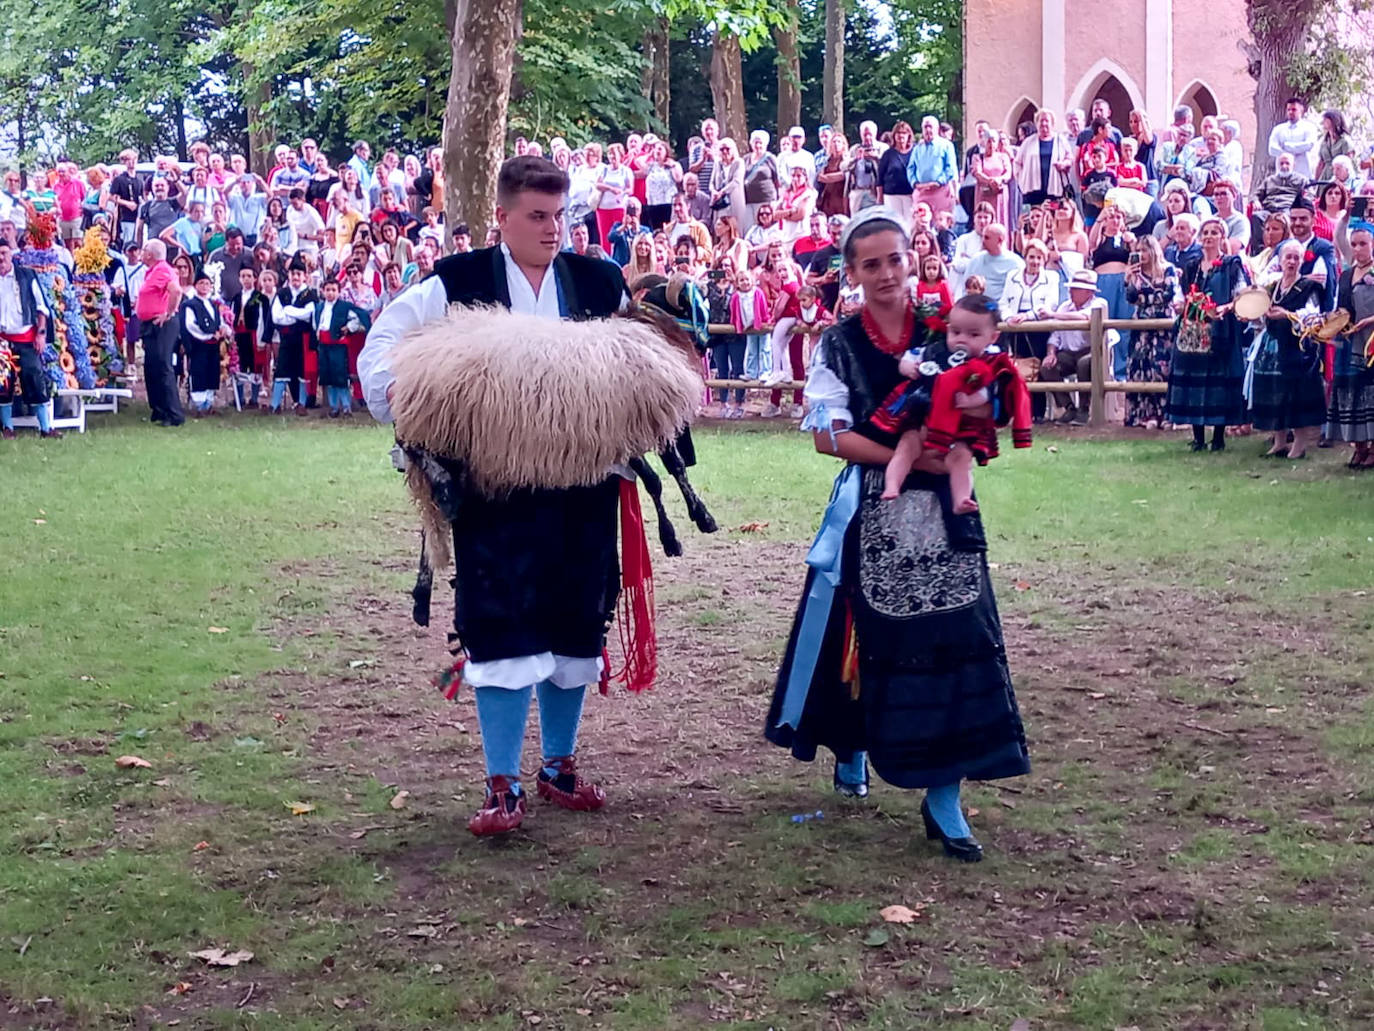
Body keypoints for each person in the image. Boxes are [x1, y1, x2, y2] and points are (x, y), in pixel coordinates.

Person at [358, 156, 638, 837]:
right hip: (495, 490)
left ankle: (559, 765)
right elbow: (382, 349)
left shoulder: (600, 282)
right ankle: (502, 781)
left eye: (560, 215)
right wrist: (406, 395)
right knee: (501, 626)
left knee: (578, 622)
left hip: (586, 484)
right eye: (537, 217)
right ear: (503, 218)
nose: (552, 229)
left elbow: (640, 357)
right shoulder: (457, 283)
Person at [766, 207, 1030, 860]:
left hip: (946, 510)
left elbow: (990, 400)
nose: (887, 273)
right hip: (876, 506)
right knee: (868, 637)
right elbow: (829, 435)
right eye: (871, 263)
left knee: (958, 637)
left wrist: (965, 437)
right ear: (851, 273)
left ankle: (944, 797)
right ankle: (855, 744)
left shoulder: (950, 329)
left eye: (896, 257)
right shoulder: (837, 343)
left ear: (914, 256)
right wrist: (901, 458)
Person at [880, 293, 1031, 511]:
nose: (962, 339)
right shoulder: (935, 351)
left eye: (973, 334)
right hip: (923, 416)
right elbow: (911, 356)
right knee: (907, 446)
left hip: (962, 428)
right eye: (956, 331)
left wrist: (972, 400)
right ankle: (892, 485)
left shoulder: (991, 361)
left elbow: (991, 390)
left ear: (993, 337)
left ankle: (961, 499)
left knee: (961, 459)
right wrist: (907, 367)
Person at [1167, 218, 1252, 451]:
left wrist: (1227, 307)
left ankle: (1218, 437)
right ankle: (1198, 437)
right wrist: (1180, 304)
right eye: (1205, 232)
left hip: (1220, 330)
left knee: (1218, 382)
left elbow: (1241, 293)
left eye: (1214, 232)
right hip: (1193, 330)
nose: (1208, 236)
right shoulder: (1192, 266)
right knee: (1194, 379)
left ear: (1222, 237)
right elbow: (1180, 294)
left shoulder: (1231, 264)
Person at [1249, 241, 1327, 458]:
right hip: (1272, 345)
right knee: (1275, 393)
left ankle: (1299, 444)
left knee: (1296, 395)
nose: (1291, 261)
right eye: (1288, 257)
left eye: (1296, 257)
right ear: (1280, 260)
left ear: (1302, 261)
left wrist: (1287, 315)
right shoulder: (1273, 285)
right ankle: (1279, 441)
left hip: (1297, 348)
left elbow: (1313, 315)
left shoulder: (1309, 287)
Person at [1325, 224, 1374, 467]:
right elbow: (1339, 305)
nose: (1357, 249)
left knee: (1370, 392)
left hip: (1370, 343)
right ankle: (1360, 446)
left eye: (1363, 243)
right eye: (1354, 244)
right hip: (1348, 341)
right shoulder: (1346, 274)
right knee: (1351, 392)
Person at [0, 240, 56, 439]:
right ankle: (7, 428)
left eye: (4, 253)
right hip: (2, 342)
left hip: (26, 338)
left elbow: (42, 308)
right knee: (3, 384)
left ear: (11, 254)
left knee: (35, 378)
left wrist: (41, 334)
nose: (1, 258)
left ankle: (46, 428)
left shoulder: (26, 275)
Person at [1123, 235, 1180, 428]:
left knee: (1161, 369)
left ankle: (1165, 414)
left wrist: (1145, 298)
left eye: (1145, 250)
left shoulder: (1168, 269)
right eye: (1138, 250)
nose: (1141, 254)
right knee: (1141, 368)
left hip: (1163, 325)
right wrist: (1130, 278)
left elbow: (1168, 294)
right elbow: (1130, 298)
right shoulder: (1135, 273)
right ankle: (1145, 415)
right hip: (1141, 327)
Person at [1039, 269, 1109, 424]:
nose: (1070, 291)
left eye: (1076, 288)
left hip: (1094, 351)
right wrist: (1051, 353)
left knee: (1084, 364)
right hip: (1069, 353)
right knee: (1047, 367)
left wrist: (1052, 315)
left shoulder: (1100, 303)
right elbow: (1055, 336)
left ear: (1088, 292)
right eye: (1071, 287)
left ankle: (1084, 409)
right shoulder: (1064, 307)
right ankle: (1069, 407)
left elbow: (1085, 316)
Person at [134, 240, 185, 427]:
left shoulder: (163, 269)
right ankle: (159, 409)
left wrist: (168, 313)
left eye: (144, 249)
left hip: (162, 324)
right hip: (150, 324)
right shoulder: (152, 271)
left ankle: (174, 414)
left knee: (163, 366)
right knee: (152, 367)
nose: (141, 252)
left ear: (150, 254)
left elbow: (176, 291)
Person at [1087, 203, 1135, 378]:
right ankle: (1102, 366)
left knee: (1123, 324)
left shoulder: (1127, 239)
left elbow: (1137, 259)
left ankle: (1122, 369)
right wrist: (1101, 217)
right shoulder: (1100, 238)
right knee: (1104, 323)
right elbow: (1091, 243)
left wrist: (1133, 243)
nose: (1115, 221)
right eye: (1111, 217)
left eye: (1118, 217)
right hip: (1103, 282)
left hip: (1123, 281)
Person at [311, 276, 371, 417]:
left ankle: (346, 406)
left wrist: (349, 328)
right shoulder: (319, 307)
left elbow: (357, 317)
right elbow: (316, 322)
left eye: (333, 290)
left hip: (338, 345)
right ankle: (333, 407)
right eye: (327, 290)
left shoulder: (344, 307)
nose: (330, 293)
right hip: (324, 345)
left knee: (340, 376)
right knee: (328, 377)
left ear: (338, 292)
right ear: (323, 291)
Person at [270, 257, 318, 414]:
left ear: (305, 276)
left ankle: (301, 404)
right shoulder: (282, 293)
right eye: (293, 273)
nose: (296, 277)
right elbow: (277, 317)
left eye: (299, 273)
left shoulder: (310, 294)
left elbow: (309, 314)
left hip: (303, 339)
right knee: (282, 369)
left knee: (302, 371)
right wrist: (296, 316)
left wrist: (289, 311)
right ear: (288, 275)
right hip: (286, 339)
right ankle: (275, 405)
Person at [182, 269, 226, 416]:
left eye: (207, 283)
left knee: (212, 372)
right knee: (199, 372)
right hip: (199, 345)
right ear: (195, 286)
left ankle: (209, 403)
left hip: (213, 346)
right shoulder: (190, 305)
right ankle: (199, 405)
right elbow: (191, 325)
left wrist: (223, 330)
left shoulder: (213, 304)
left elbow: (219, 321)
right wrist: (208, 336)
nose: (204, 286)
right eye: (201, 283)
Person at [1013, 109, 1072, 208]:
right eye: (1041, 120)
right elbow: (1017, 163)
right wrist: (1021, 180)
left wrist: (1064, 164)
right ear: (1036, 123)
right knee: (1029, 219)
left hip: (1055, 189)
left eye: (1047, 120)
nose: (1044, 123)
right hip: (1031, 190)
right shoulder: (1028, 142)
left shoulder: (1060, 140)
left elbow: (1070, 158)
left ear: (1052, 123)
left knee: (1052, 218)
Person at [907, 116, 958, 216]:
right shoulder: (917, 148)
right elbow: (910, 168)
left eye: (930, 126)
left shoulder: (946, 145)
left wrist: (938, 182)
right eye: (925, 127)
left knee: (941, 224)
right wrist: (915, 183)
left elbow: (950, 168)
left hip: (940, 191)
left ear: (937, 128)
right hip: (921, 192)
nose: (928, 130)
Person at [730, 265, 771, 385]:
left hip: (760, 324)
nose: (745, 282)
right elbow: (734, 312)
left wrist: (765, 321)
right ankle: (751, 372)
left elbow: (763, 308)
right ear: (737, 283)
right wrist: (736, 324)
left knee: (765, 349)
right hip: (748, 326)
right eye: (741, 280)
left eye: (747, 279)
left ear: (752, 280)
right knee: (752, 350)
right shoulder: (736, 296)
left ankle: (765, 372)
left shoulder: (757, 293)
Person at [960, 223, 1023, 301]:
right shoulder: (976, 259)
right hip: (976, 307)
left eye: (987, 238)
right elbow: (965, 288)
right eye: (982, 237)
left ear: (1000, 240)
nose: (983, 241)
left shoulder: (1016, 263)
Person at [1268, 98, 1321, 179]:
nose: (1290, 112)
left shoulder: (1309, 127)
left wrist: (1286, 146)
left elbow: (1309, 145)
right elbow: (1272, 149)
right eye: (1288, 110)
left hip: (1303, 173)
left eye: (1294, 109)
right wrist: (1287, 155)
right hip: (1282, 174)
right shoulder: (1278, 129)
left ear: (1301, 110)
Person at [876, 121, 916, 222]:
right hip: (891, 195)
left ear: (909, 135)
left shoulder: (915, 152)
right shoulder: (888, 154)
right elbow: (880, 178)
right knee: (895, 222)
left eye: (904, 133)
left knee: (910, 222)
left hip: (910, 194)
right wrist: (879, 198)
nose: (901, 136)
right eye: (898, 133)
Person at [742, 130, 781, 230]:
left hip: (765, 200)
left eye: (760, 142)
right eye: (755, 142)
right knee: (749, 228)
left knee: (765, 227)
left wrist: (777, 199)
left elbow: (777, 180)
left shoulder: (770, 159)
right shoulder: (745, 159)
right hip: (748, 201)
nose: (758, 145)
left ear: (765, 144)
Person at [709, 138, 748, 231]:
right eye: (722, 149)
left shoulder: (739, 163)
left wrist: (722, 192)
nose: (725, 152)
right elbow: (711, 182)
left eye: (727, 149)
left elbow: (736, 181)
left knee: (735, 227)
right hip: (720, 203)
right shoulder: (717, 164)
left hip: (734, 200)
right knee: (720, 226)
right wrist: (713, 191)